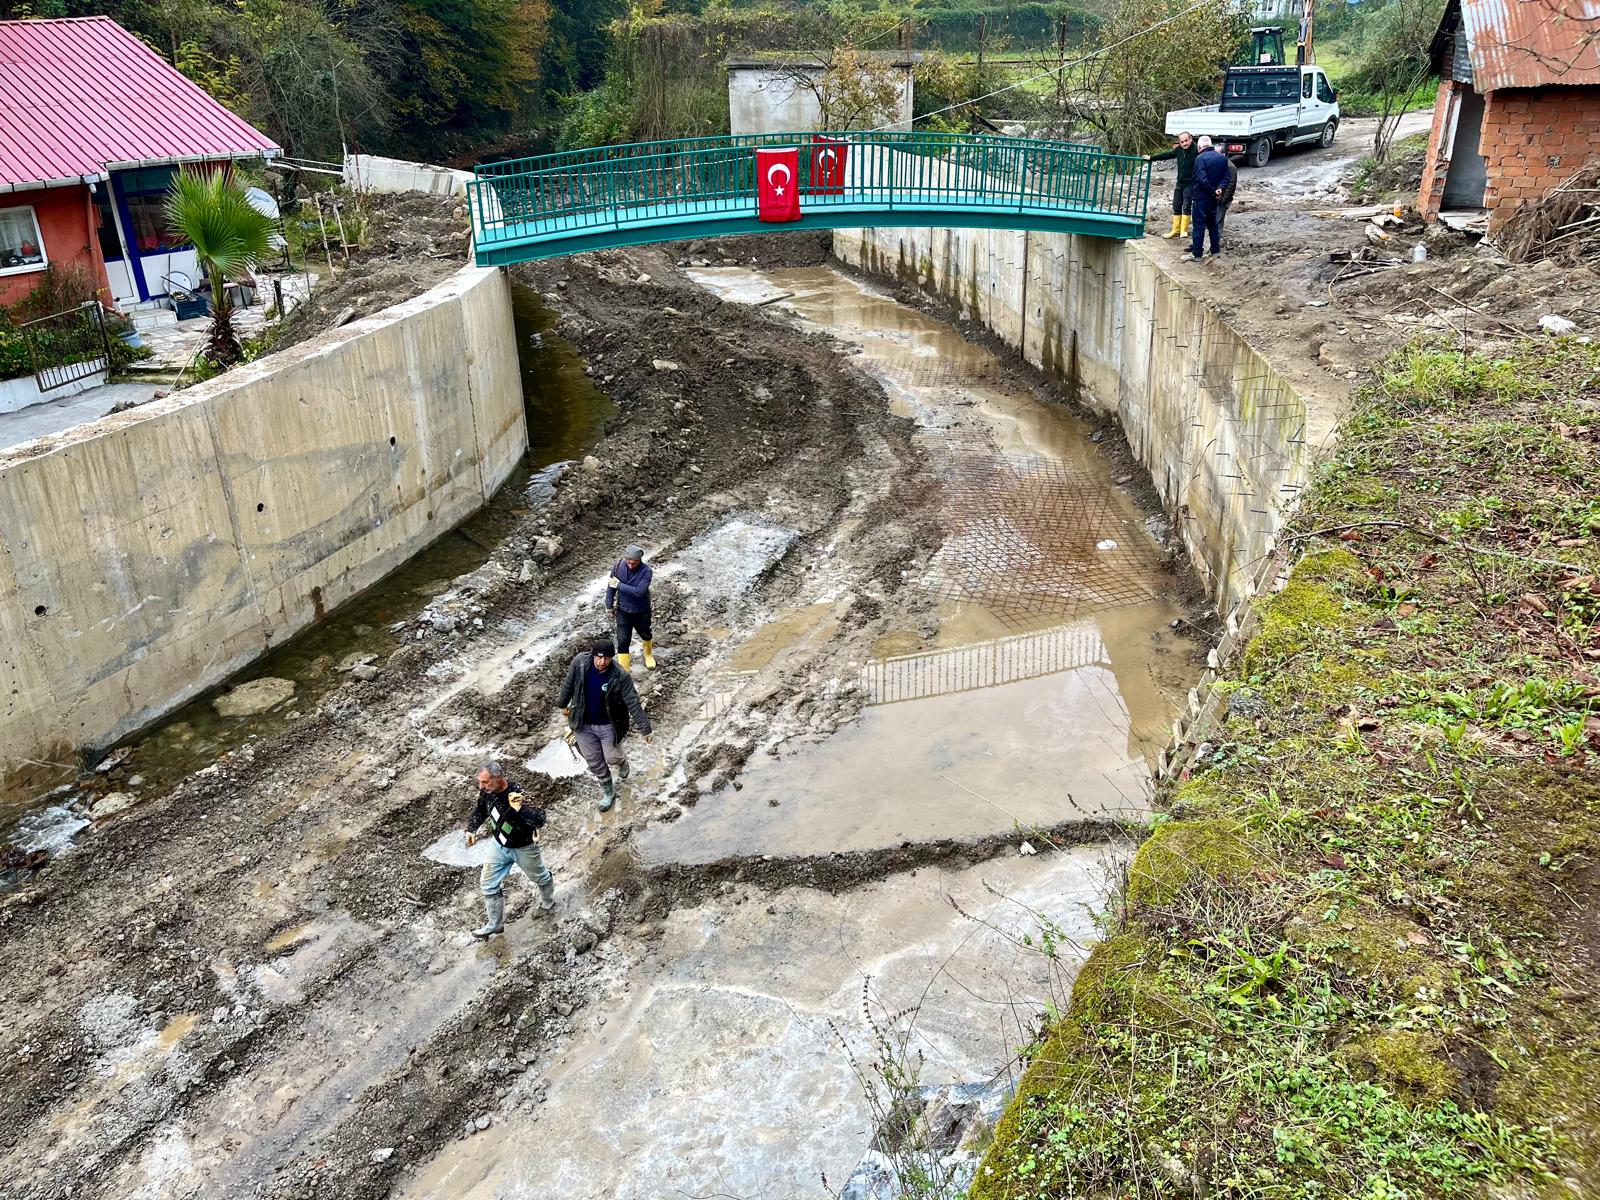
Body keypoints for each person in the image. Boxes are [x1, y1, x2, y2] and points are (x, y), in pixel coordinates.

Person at [557, 638, 653, 812]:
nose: (602, 662)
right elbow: (569, 684)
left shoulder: (619, 675)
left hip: (608, 724)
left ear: (612, 658)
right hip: (583, 724)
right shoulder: (580, 663)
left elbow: (632, 701)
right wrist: (563, 704)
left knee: (611, 757)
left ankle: (622, 761)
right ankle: (608, 792)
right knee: (594, 761)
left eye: (607, 658)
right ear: (593, 655)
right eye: (599, 658)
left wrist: (645, 729)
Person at [465, 761, 555, 939]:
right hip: (499, 846)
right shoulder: (486, 792)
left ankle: (548, 903)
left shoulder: (518, 792)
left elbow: (540, 819)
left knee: (539, 877)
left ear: (498, 778)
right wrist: (471, 828)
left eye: (485, 782)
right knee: (488, 884)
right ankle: (495, 924)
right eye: (480, 782)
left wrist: (520, 809)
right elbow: (481, 810)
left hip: (524, 847)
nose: (481, 786)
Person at [606, 543, 655, 671]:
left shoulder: (646, 571)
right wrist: (609, 605)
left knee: (645, 634)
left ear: (639, 561)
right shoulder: (617, 566)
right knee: (623, 641)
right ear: (625, 559)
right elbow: (611, 586)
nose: (631, 565)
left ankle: (648, 655)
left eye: (634, 563)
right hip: (623, 611)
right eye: (628, 562)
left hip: (641, 611)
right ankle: (624, 672)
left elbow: (639, 592)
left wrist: (619, 585)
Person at [1145, 131, 1198, 240]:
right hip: (1180, 183)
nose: (1184, 143)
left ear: (1191, 139)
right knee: (1176, 205)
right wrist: (1151, 157)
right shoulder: (1178, 150)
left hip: (1190, 183)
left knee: (1186, 205)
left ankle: (1184, 230)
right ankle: (1175, 230)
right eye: (1182, 142)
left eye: (1186, 141)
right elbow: (1167, 155)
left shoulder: (1196, 150)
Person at [1186, 136, 1230, 262]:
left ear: (1200, 147)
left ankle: (1197, 254)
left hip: (1201, 197)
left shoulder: (1200, 158)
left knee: (1199, 225)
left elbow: (1201, 178)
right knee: (1213, 224)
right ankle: (1215, 250)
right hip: (1214, 198)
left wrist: (1212, 190)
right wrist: (1219, 189)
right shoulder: (1221, 158)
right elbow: (1227, 176)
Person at [1217, 154, 1239, 249]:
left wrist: (1223, 200)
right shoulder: (1221, 164)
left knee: (1218, 222)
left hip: (1222, 200)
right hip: (1218, 199)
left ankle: (1215, 245)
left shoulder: (1230, 167)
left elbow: (1231, 186)